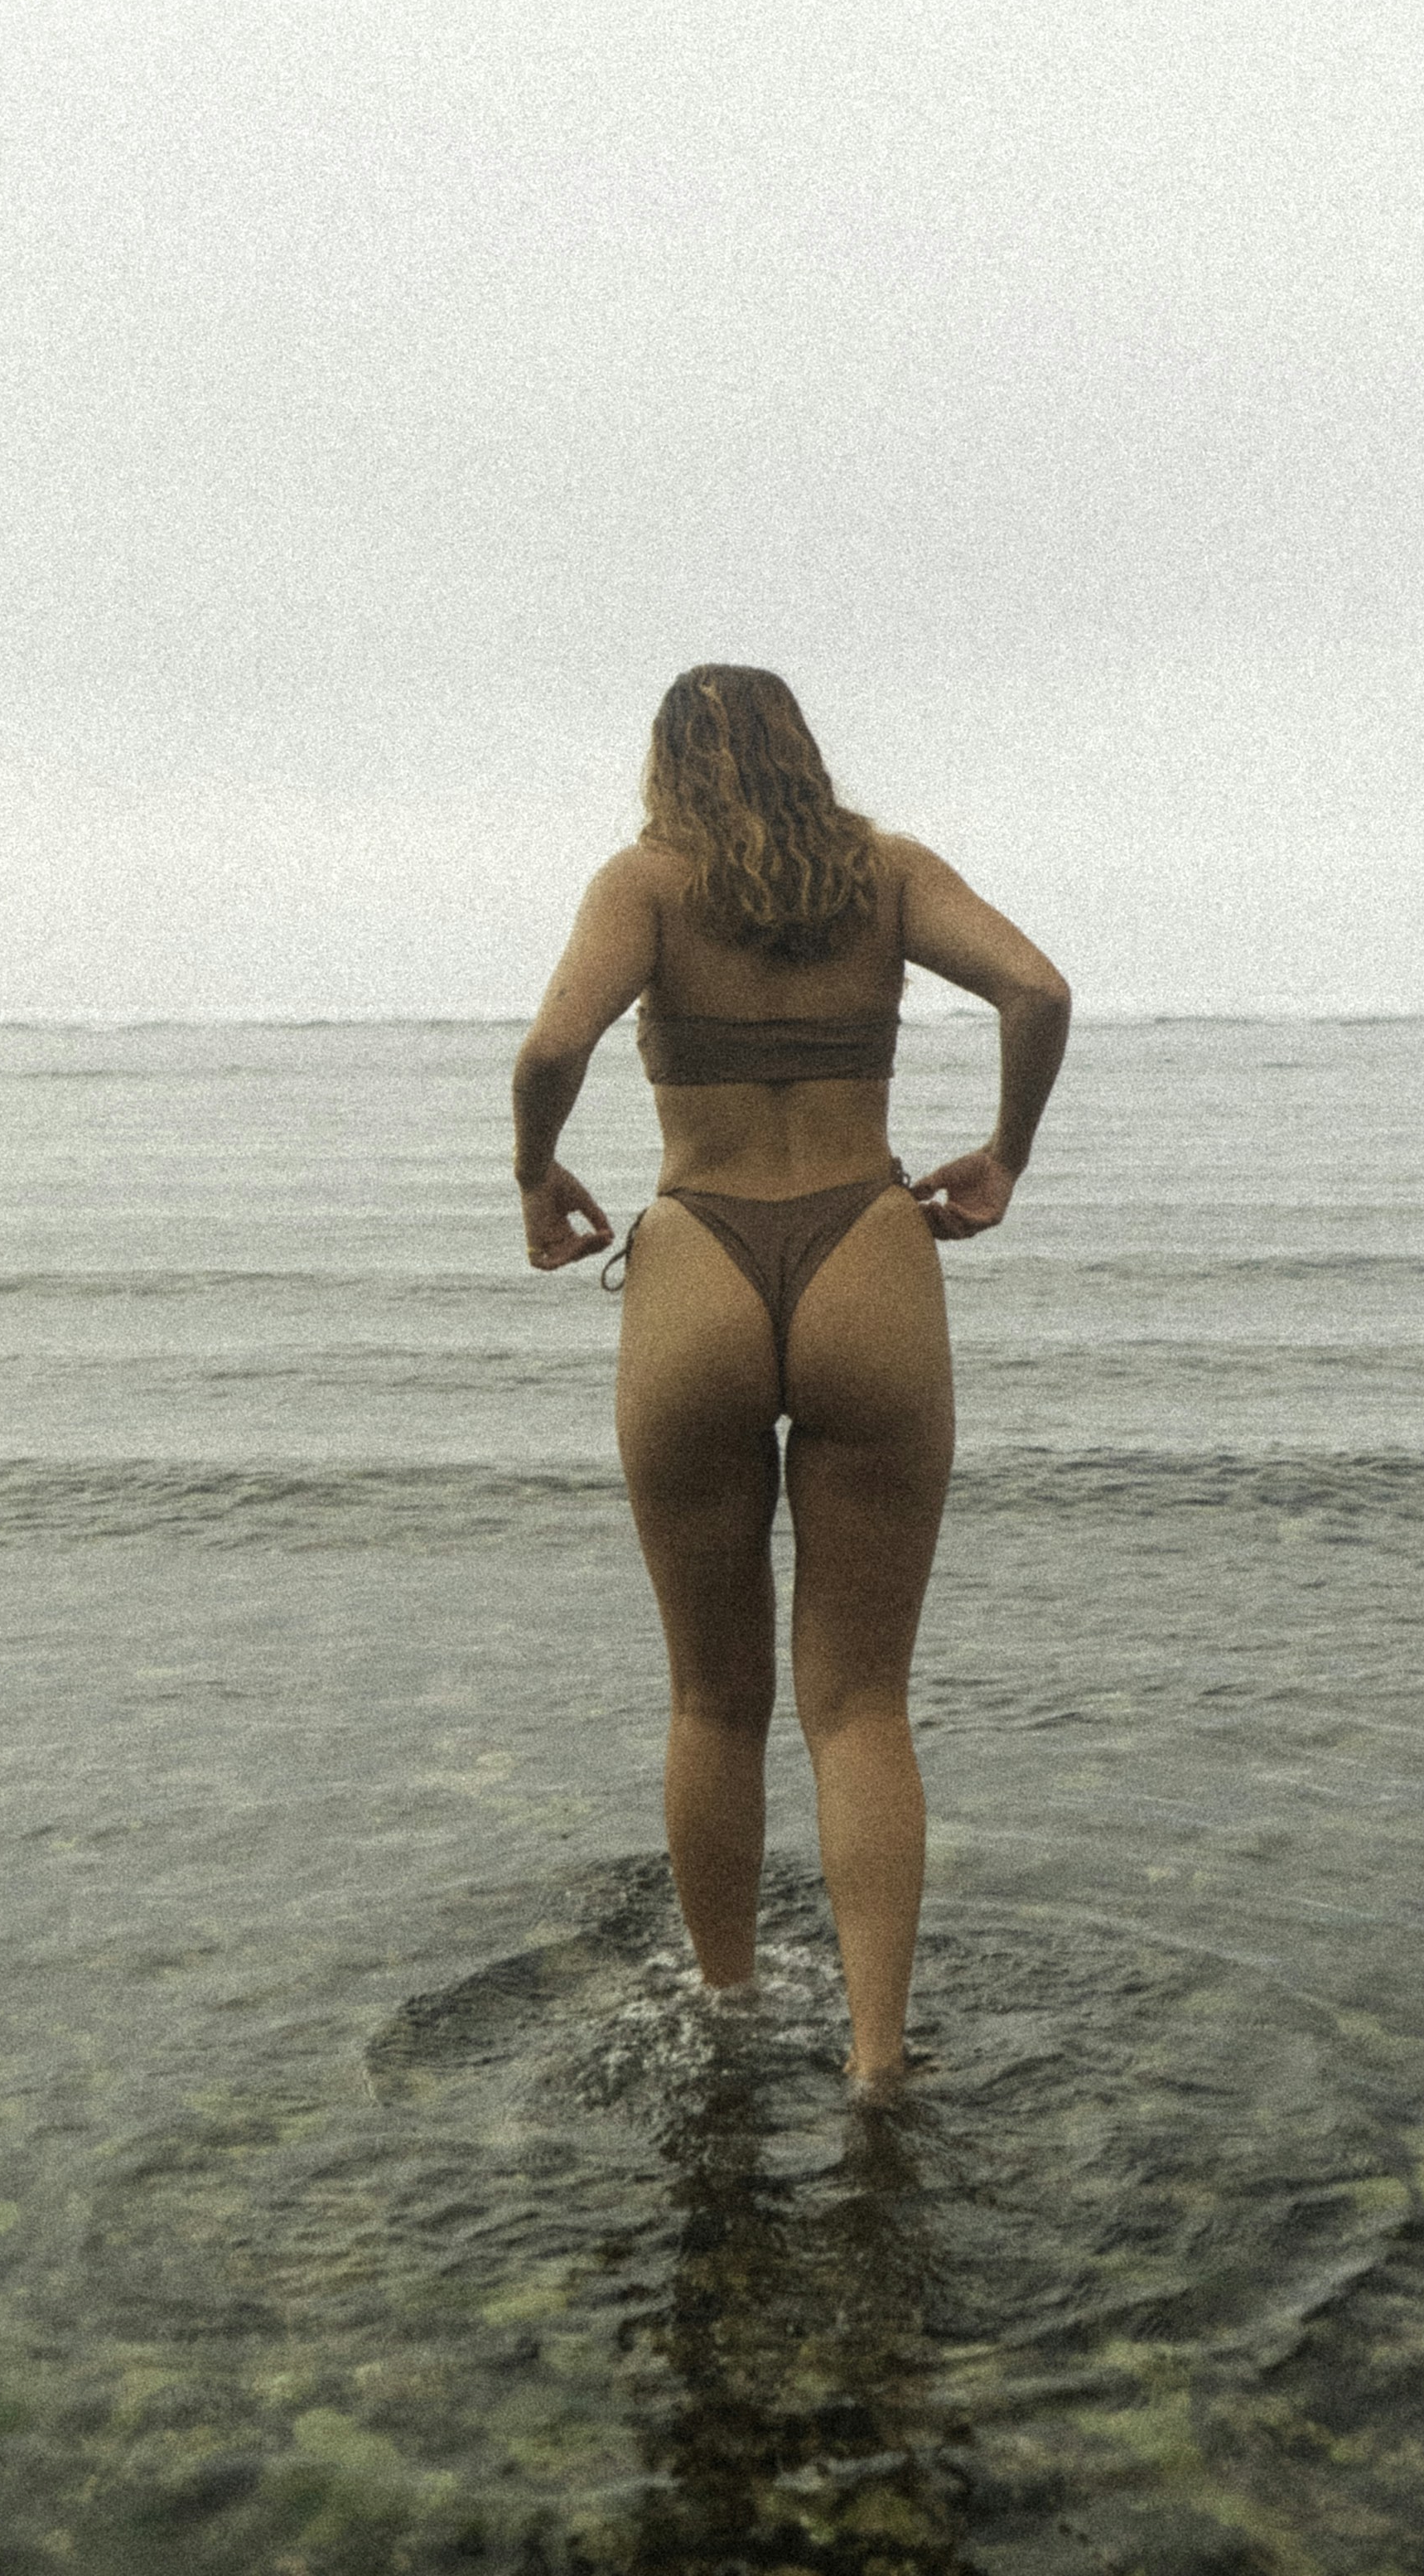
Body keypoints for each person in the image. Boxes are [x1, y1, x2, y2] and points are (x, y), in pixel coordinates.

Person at [511, 665, 1070, 2090]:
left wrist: (536, 1181)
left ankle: (728, 2004)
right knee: (862, 1706)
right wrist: (1004, 1156)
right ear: (802, 753)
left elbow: (552, 1049)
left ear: (666, 766)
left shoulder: (643, 885)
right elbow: (1036, 988)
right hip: (865, 1255)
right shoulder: (884, 876)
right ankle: (878, 2061)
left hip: (698, 1256)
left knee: (713, 1702)